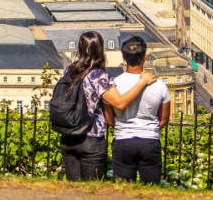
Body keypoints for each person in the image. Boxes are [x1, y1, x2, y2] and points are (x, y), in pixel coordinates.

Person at [59, 30, 158, 182]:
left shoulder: (69, 71)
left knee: (73, 189)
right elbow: (120, 103)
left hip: (68, 135)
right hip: (90, 137)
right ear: (100, 50)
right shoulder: (97, 76)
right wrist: (142, 82)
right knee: (92, 189)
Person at [104, 34, 171, 184]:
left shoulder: (113, 84)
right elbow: (164, 118)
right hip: (149, 140)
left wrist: (122, 126)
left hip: (123, 139)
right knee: (151, 188)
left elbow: (108, 118)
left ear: (124, 57)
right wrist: (150, 128)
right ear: (144, 57)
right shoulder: (159, 85)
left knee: (123, 189)